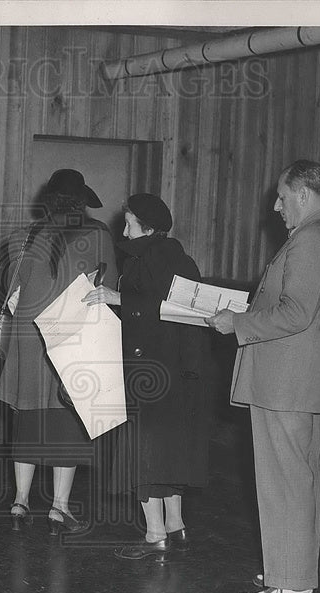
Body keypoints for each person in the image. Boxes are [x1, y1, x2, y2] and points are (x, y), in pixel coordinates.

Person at [207, 159, 320, 593]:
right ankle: (294, 574)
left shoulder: (311, 239)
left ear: (304, 196)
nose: (276, 206)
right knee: (303, 479)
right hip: (305, 383)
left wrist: (238, 322)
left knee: (284, 482)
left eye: (282, 196)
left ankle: (289, 583)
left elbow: (295, 313)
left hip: (284, 383)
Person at [83, 194, 210, 558]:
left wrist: (114, 296)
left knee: (144, 451)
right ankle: (176, 525)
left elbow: (154, 308)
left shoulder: (148, 258)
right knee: (170, 449)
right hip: (181, 371)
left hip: (150, 370)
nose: (124, 231)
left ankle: (155, 534)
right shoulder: (180, 257)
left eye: (129, 224)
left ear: (149, 229)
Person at [0, 168, 117, 534]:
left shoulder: (25, 236)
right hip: (72, 338)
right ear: (81, 202)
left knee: (27, 420)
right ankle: (59, 506)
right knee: (68, 423)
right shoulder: (98, 235)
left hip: (29, 340)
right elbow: (107, 286)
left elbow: (10, 285)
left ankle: (20, 500)